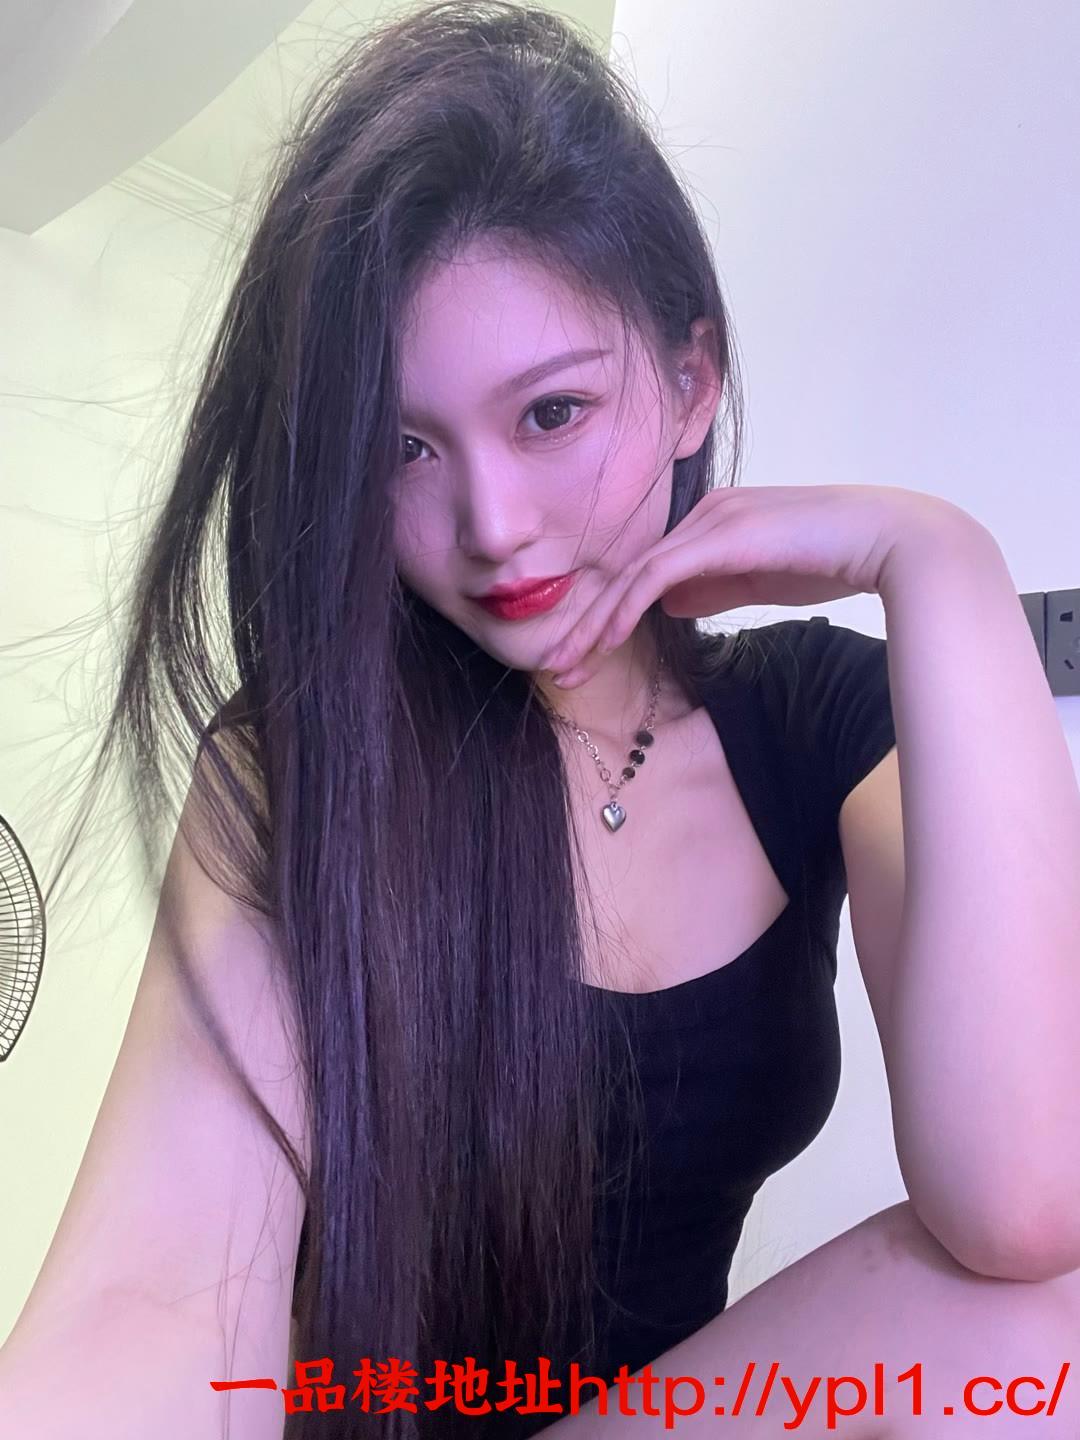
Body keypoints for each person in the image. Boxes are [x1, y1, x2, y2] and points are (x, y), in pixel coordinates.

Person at [3, 4, 1078, 1440]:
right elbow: (156, 1292)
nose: (492, 524)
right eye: (403, 448)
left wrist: (937, 558)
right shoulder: (309, 756)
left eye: (552, 413)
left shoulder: (815, 719)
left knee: (1036, 1327)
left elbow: (1023, 1201)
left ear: (690, 382)